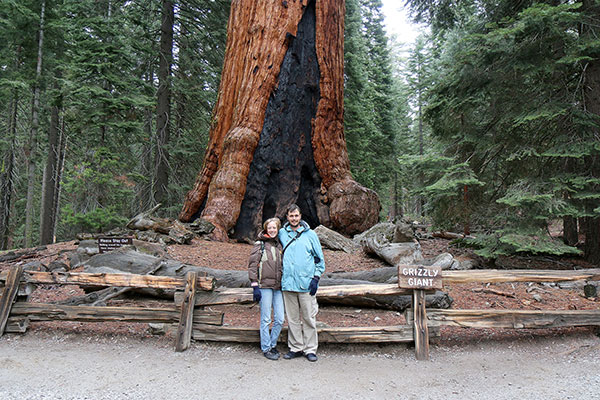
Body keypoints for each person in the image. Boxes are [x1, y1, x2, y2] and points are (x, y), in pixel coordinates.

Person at [278, 204, 325, 362]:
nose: (294, 219)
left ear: (300, 216)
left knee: (308, 318)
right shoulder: (282, 233)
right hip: (288, 284)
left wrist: (316, 278)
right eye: (291, 216)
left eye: (296, 216)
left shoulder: (310, 235)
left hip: (306, 283)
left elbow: (320, 260)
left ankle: (310, 349)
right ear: (287, 217)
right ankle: (296, 347)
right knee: (292, 318)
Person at [248, 217, 284, 360]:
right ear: (266, 229)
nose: (272, 230)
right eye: (269, 228)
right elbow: (252, 265)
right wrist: (254, 285)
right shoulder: (260, 244)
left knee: (280, 318)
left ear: (278, 229)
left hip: (278, 286)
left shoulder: (280, 245)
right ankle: (266, 348)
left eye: (274, 228)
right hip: (264, 286)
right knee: (266, 318)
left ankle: (272, 344)